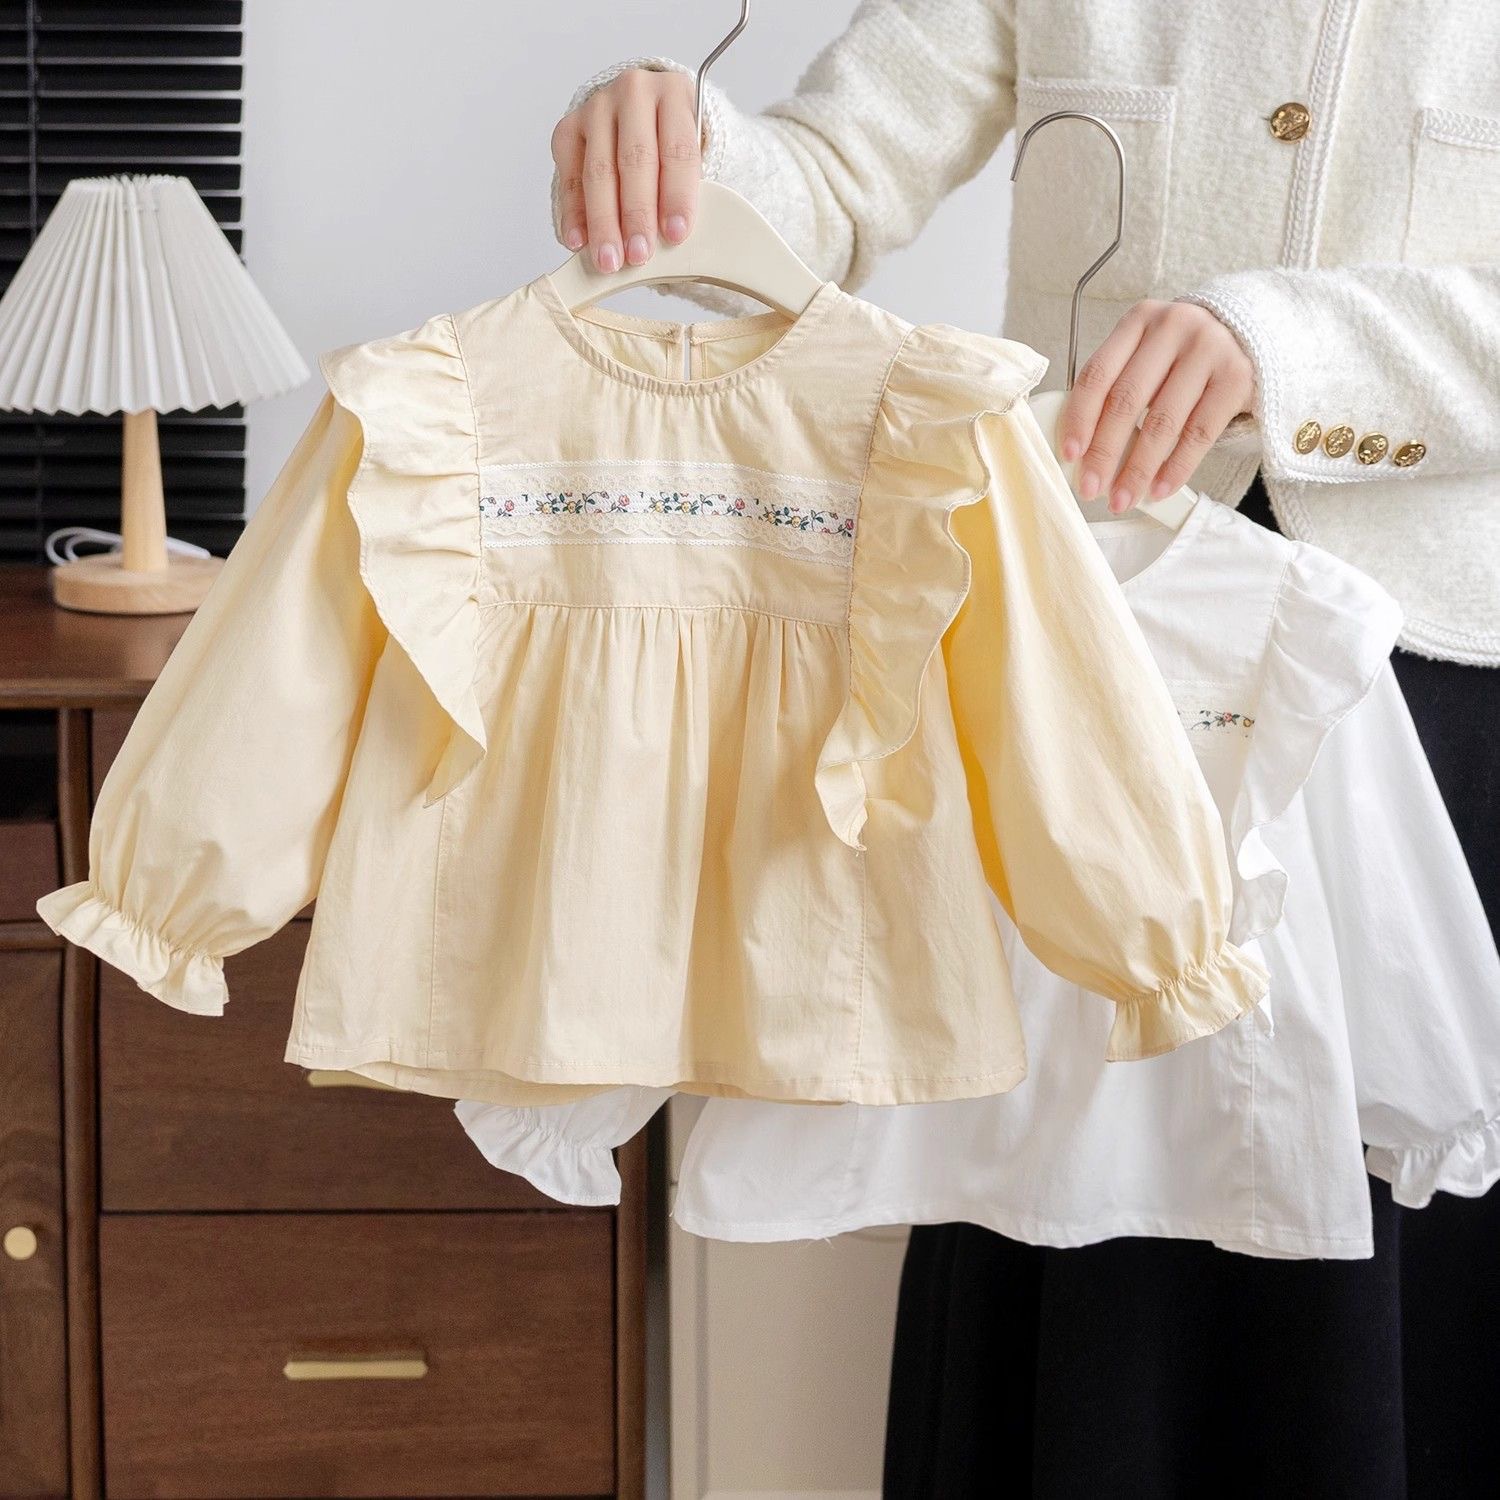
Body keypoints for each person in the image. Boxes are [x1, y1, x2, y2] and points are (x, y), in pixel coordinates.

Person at [547, 5, 1499, 1494]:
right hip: (1084, 656)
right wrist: (680, 144)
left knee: (1403, 1279)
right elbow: (834, 173)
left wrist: (1290, 345)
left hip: (1437, 708)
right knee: (1076, 1256)